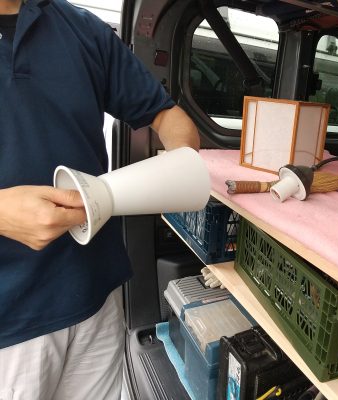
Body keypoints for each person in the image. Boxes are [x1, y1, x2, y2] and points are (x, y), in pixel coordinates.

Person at [0, 0, 200, 399]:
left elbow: (169, 118)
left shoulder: (81, 28)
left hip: (97, 295)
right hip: (11, 323)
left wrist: (181, 166)